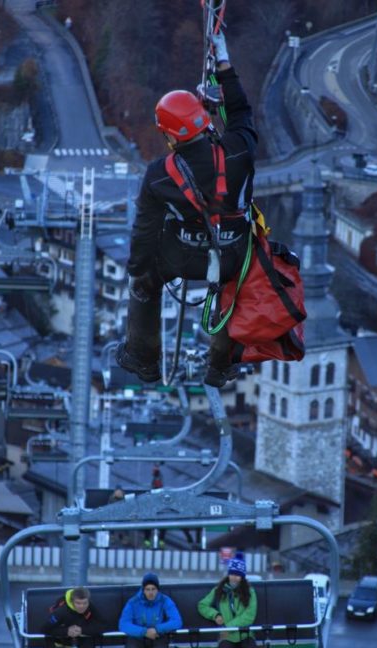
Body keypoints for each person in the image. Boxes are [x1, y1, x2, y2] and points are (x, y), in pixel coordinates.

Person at [116, 25, 257, 388]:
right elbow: (241, 111)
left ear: (168, 135)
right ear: (204, 121)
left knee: (144, 279)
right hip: (231, 255)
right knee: (234, 286)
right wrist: (223, 64)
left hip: (181, 255)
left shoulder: (159, 175)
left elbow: (144, 233)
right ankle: (221, 365)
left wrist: (140, 274)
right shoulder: (239, 148)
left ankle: (143, 358)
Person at [197, 553, 258, 648]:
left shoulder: (250, 592)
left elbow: (249, 615)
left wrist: (228, 627)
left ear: (242, 577)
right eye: (232, 574)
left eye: (238, 575)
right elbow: (202, 605)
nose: (234, 578)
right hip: (227, 636)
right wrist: (215, 615)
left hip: (245, 633)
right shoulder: (219, 590)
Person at [119, 573, 183, 648]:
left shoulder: (165, 600)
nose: (150, 593)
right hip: (138, 637)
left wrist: (158, 629)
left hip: (158, 636)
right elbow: (123, 624)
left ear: (158, 589)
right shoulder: (133, 602)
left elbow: (177, 621)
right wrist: (144, 632)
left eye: (153, 589)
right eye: (147, 589)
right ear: (143, 590)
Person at [42, 586, 106, 648]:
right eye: (78, 603)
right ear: (72, 602)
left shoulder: (90, 607)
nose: (82, 606)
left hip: (82, 643)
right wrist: (66, 631)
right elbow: (45, 629)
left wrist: (82, 630)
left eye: (85, 603)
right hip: (60, 645)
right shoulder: (61, 612)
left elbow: (103, 625)